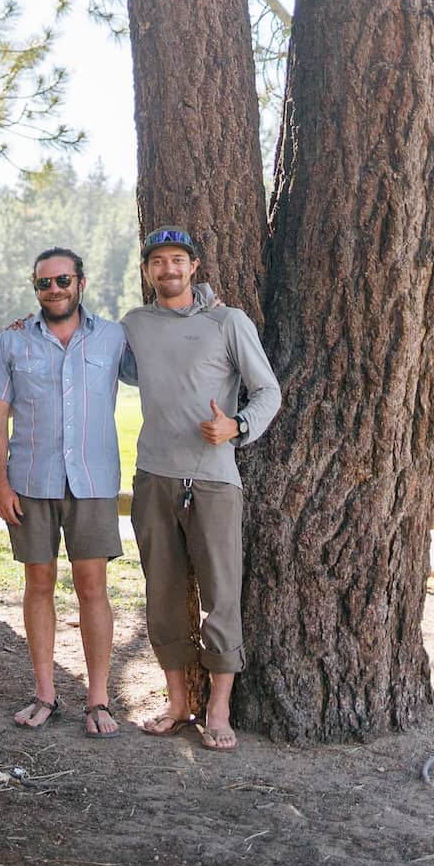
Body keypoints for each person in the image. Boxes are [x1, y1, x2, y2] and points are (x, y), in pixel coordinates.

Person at [123, 227, 281, 752]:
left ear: (193, 267)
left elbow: (268, 391)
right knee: (162, 593)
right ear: (148, 272)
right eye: (157, 262)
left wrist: (236, 426)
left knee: (221, 596)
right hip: (153, 477)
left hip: (213, 479)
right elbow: (94, 357)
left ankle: (218, 708)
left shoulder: (227, 321)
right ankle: (177, 702)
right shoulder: (136, 325)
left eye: (177, 261)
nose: (167, 270)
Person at [0, 248, 130, 737]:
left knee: (92, 588)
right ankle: (44, 693)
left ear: (81, 283)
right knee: (38, 586)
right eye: (44, 282)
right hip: (30, 482)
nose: (55, 289)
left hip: (93, 481)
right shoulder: (13, 340)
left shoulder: (114, 337)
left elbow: (167, 363)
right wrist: (0, 483)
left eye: (63, 279)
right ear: (36, 288)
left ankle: (99, 700)